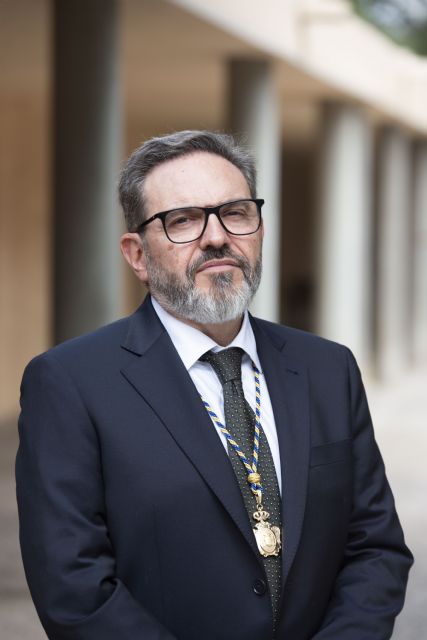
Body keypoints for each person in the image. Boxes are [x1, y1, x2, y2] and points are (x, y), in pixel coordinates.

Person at [16, 130, 412, 640]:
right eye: (182, 220)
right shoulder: (69, 383)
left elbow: (375, 547)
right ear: (137, 254)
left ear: (260, 227)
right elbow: (74, 587)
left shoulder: (328, 369)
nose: (217, 236)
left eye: (236, 212)